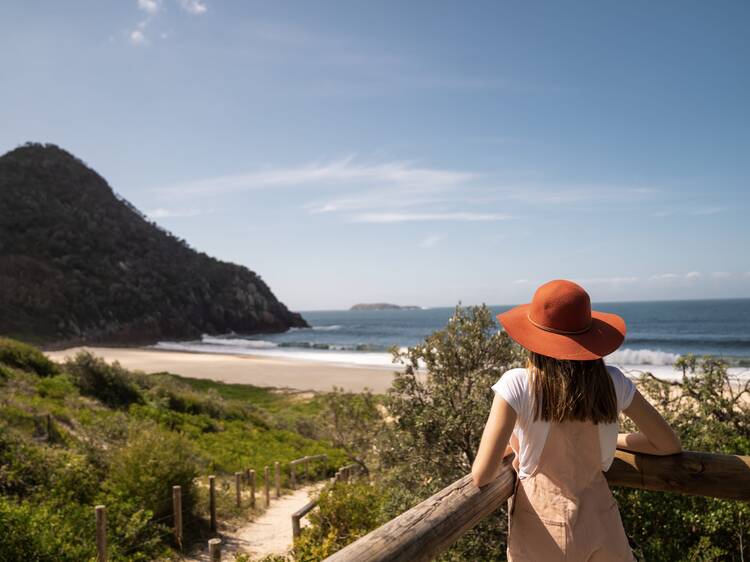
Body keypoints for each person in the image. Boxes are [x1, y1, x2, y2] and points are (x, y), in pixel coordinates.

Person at [471, 279, 681, 561]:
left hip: (543, 528)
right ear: (590, 335)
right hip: (602, 523)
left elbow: (482, 474)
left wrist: (518, 444)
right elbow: (668, 445)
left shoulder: (517, 384)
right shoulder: (613, 382)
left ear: (533, 337)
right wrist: (613, 440)